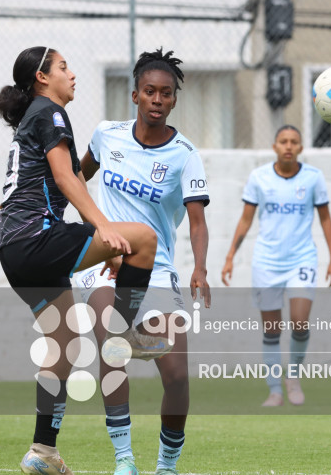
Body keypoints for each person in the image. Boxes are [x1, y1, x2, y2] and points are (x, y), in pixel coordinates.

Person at [0, 46, 171, 475]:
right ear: (42, 77)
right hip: (36, 238)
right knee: (143, 240)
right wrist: (104, 229)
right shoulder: (49, 112)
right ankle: (126, 334)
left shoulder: (34, 115)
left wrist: (98, 243)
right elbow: (65, 177)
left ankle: (43, 452)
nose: (72, 75)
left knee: (63, 347)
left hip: (13, 251)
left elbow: (63, 179)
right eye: (62, 67)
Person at [74, 48, 211, 475]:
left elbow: (197, 221)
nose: (157, 99)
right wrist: (93, 231)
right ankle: (124, 460)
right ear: (134, 95)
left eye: (165, 94)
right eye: (149, 91)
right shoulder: (106, 135)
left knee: (177, 377)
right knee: (112, 344)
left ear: (173, 100)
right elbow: (76, 177)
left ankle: (166, 466)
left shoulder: (185, 154)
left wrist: (200, 268)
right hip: (103, 263)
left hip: (159, 269)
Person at [221, 125, 331, 407]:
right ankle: (274, 390)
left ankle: (293, 377)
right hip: (267, 261)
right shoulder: (259, 178)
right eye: (283, 141)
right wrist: (229, 257)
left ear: (300, 148)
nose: (288, 146)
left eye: (294, 142)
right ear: (275, 146)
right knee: (271, 330)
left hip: (302, 259)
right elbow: (246, 219)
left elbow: (325, 218)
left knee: (299, 322)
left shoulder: (313, 178)